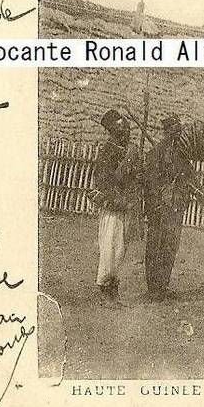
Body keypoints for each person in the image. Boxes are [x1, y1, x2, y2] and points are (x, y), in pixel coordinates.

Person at [93, 109, 141, 307]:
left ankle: (114, 290)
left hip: (125, 205)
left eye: (127, 127)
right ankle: (105, 290)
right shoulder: (107, 151)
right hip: (113, 206)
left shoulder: (128, 150)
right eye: (121, 128)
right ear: (112, 130)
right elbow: (105, 180)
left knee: (120, 249)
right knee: (110, 248)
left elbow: (135, 177)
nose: (126, 131)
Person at [144, 115, 194, 301]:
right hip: (159, 206)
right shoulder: (156, 152)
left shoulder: (181, 154)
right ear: (167, 131)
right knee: (155, 246)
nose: (178, 132)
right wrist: (154, 204)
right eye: (175, 128)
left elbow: (188, 176)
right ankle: (153, 288)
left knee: (171, 246)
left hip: (175, 205)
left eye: (180, 129)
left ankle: (163, 285)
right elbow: (149, 180)